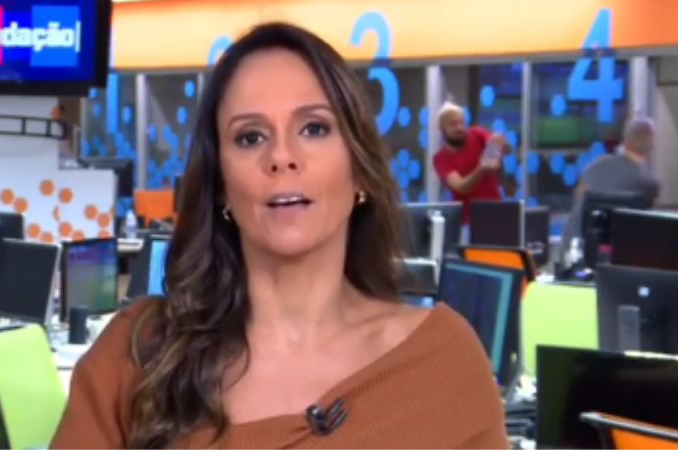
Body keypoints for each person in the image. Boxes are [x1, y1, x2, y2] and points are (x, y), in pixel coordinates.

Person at [50, 23, 506, 449]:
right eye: (250, 137)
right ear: (222, 184)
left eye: (314, 128)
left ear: (360, 170)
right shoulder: (138, 353)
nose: (282, 156)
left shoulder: (441, 361)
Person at [561, 117, 661, 254]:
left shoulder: (595, 167)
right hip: (616, 259)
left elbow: (577, 199)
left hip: (571, 252)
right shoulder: (649, 185)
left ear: (626, 142)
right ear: (650, 149)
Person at [433, 102, 509, 222]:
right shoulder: (441, 158)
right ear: (442, 129)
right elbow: (461, 187)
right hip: (467, 221)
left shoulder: (477, 134)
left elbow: (504, 149)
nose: (459, 127)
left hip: (495, 212)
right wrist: (481, 169)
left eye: (461, 122)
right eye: (453, 124)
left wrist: (501, 144)